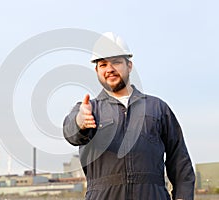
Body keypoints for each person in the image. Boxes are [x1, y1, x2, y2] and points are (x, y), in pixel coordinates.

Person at [63, 32, 195, 200]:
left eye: (116, 62)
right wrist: (80, 122)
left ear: (129, 65)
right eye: (103, 65)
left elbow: (179, 160)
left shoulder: (157, 108)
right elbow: (70, 132)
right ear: (96, 70)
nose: (109, 69)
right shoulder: (88, 109)